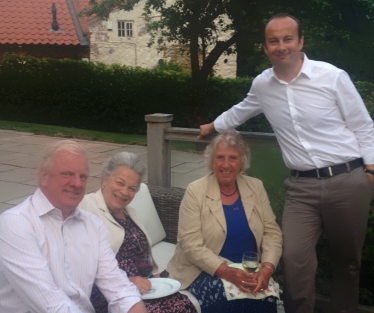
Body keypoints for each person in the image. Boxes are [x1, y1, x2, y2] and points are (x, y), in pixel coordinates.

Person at [198, 13, 374, 313]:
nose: (281, 46)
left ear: (300, 41)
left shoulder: (332, 77)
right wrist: (212, 126)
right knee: (293, 259)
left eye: (287, 39)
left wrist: (370, 171)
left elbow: (363, 125)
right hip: (301, 187)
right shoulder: (263, 85)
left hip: (348, 180)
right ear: (266, 48)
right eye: (274, 41)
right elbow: (241, 111)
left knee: (348, 263)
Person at [0, 140, 146, 313]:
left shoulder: (93, 225)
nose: (77, 183)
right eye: (67, 174)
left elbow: (117, 285)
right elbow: (51, 305)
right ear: (44, 176)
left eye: (83, 176)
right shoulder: (16, 224)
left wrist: (134, 307)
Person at [167, 130, 282, 313]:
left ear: (242, 162)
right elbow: (190, 244)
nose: (226, 164)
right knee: (223, 298)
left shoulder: (256, 187)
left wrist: (267, 268)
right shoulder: (195, 191)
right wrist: (227, 272)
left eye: (233, 158)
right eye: (220, 157)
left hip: (248, 270)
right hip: (204, 270)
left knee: (266, 298)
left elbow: (272, 233)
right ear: (212, 162)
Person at [80, 151, 197, 313]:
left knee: (183, 303)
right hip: (111, 293)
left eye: (132, 188)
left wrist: (157, 279)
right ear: (105, 179)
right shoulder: (86, 208)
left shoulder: (129, 212)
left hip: (144, 286)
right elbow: (81, 266)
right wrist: (128, 281)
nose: (125, 192)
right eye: (120, 183)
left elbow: (142, 253)